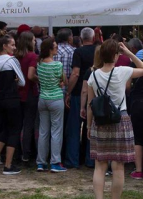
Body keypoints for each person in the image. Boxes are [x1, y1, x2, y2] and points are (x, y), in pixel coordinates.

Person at [85, 40, 143, 199]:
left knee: (99, 165)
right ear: (116, 55)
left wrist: (89, 126)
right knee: (118, 166)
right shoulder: (122, 72)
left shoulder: (93, 76)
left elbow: (91, 105)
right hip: (121, 119)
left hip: (100, 122)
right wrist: (129, 53)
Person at [0, 35, 27, 175]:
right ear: (4, 46)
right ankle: (8, 165)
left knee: (3, 128)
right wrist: (16, 80)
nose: (15, 47)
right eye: (12, 45)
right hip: (12, 98)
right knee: (14, 130)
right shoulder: (12, 60)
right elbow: (22, 81)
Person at [35, 38, 68, 173]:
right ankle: (55, 162)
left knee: (43, 131)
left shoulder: (39, 64)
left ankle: (41, 162)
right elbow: (64, 80)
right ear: (49, 49)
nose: (57, 49)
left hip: (43, 98)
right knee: (56, 131)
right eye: (55, 47)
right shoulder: (57, 65)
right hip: (55, 98)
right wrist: (61, 82)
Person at [66, 28, 97, 169]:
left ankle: (72, 160)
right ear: (94, 37)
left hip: (79, 92)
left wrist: (68, 92)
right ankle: (91, 160)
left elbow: (75, 73)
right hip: (96, 93)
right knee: (92, 127)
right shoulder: (98, 51)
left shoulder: (78, 52)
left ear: (81, 38)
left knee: (74, 127)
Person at [16, 30, 40, 164]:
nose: (35, 41)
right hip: (30, 92)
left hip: (18, 92)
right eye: (34, 39)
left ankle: (18, 152)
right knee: (29, 124)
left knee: (19, 124)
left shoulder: (16, 55)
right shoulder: (32, 56)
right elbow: (30, 75)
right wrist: (40, 79)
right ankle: (27, 153)